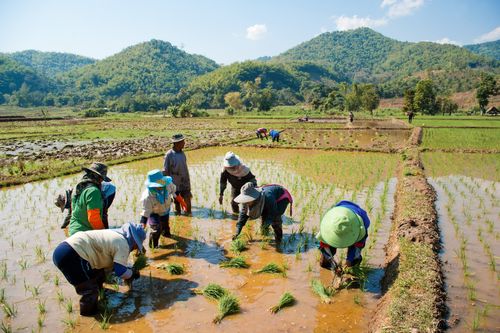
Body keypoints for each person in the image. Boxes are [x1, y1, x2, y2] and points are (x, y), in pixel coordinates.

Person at [52, 223, 146, 316]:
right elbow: (120, 271)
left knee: (98, 273)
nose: (134, 249)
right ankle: (87, 319)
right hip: (72, 255)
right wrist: (133, 273)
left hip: (63, 249)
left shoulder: (113, 234)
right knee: (90, 291)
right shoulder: (123, 243)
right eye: (136, 246)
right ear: (134, 241)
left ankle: (101, 293)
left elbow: (107, 266)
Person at [232, 182, 293, 247]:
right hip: (268, 201)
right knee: (264, 220)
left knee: (275, 219)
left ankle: (279, 240)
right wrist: (237, 232)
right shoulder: (246, 202)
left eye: (248, 200)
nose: (246, 202)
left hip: (281, 198)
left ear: (254, 197)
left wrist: (266, 224)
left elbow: (272, 214)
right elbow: (243, 215)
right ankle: (265, 235)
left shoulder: (268, 197)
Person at [316, 201, 370, 271]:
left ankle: (353, 271)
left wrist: (348, 262)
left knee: (353, 261)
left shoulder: (360, 229)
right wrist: (331, 261)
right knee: (325, 262)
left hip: (356, 223)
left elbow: (356, 247)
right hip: (339, 213)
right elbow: (323, 245)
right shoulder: (328, 225)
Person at [139, 169, 186, 247]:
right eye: (157, 186)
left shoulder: (167, 184)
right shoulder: (147, 196)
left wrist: (183, 203)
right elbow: (145, 213)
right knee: (156, 230)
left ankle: (167, 240)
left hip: (165, 211)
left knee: (166, 229)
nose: (160, 187)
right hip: (153, 213)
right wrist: (141, 229)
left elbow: (175, 193)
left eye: (160, 184)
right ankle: (154, 248)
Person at [67, 162, 112, 236]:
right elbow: (93, 218)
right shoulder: (93, 191)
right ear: (98, 177)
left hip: (73, 231)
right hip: (84, 235)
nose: (101, 182)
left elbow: (73, 210)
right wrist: (104, 234)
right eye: (102, 179)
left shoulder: (79, 187)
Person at [219, 152, 257, 217]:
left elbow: (252, 179)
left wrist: (255, 189)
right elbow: (223, 183)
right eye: (230, 167)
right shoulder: (225, 171)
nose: (232, 168)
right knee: (233, 203)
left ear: (237, 163)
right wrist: (221, 194)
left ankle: (251, 217)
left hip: (247, 189)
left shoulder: (244, 169)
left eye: (233, 166)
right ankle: (236, 216)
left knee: (249, 204)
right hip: (235, 188)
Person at [163, 133, 192, 215]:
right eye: (182, 142)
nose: (184, 143)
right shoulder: (169, 155)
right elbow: (165, 171)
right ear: (176, 143)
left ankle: (188, 216)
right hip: (175, 184)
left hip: (185, 182)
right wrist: (167, 186)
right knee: (177, 203)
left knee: (187, 200)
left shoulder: (182, 153)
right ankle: (179, 216)